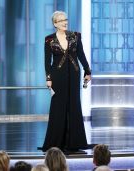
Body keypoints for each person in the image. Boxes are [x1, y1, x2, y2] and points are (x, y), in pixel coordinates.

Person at [40, 11, 91, 152]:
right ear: (55, 24)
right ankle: (56, 141)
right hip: (57, 77)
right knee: (58, 107)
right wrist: (48, 78)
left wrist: (88, 71)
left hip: (74, 75)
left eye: (66, 19)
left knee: (74, 105)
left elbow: (81, 55)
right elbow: (47, 62)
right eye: (61, 20)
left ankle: (75, 141)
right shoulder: (49, 40)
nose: (65, 22)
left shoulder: (75, 36)